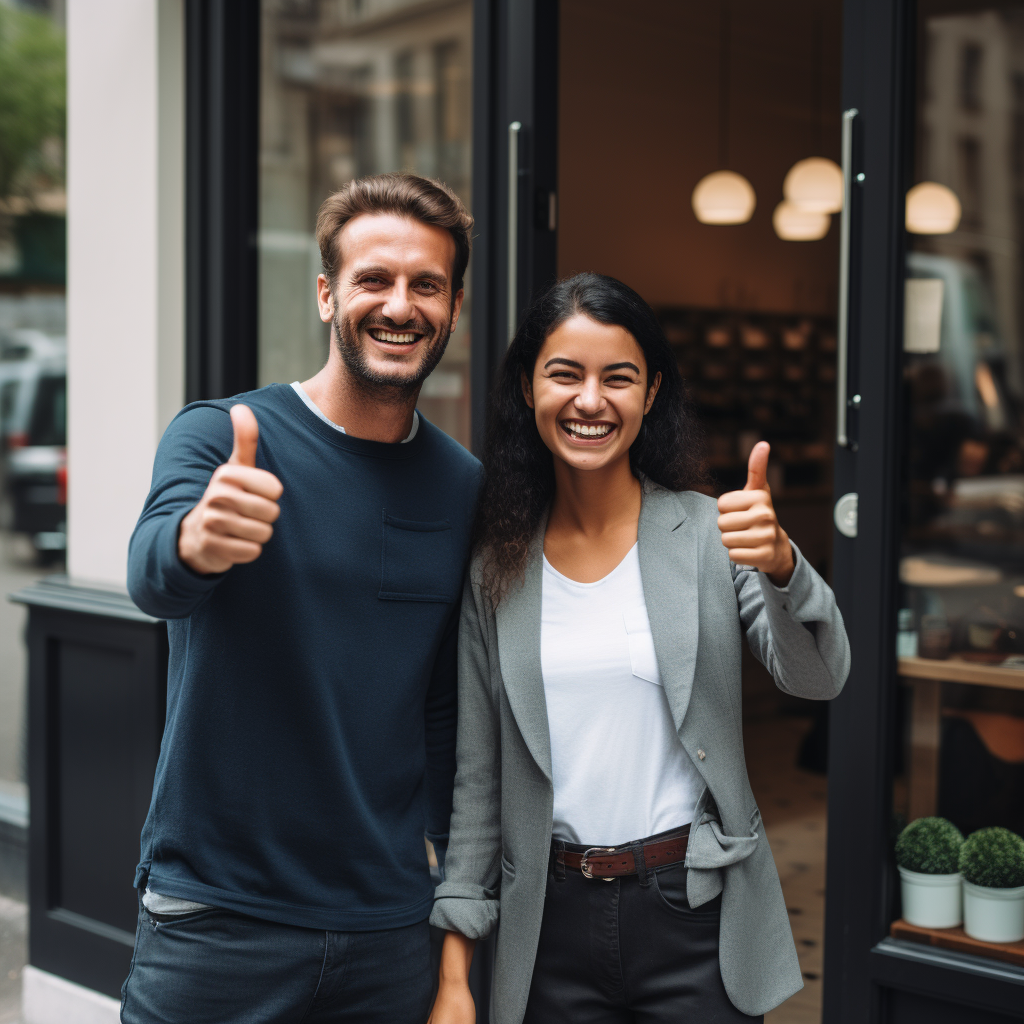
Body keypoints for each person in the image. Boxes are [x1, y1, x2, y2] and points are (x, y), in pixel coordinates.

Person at [428, 273, 851, 1024]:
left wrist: (784, 564)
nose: (590, 400)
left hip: (692, 910)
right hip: (548, 926)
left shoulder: (708, 536)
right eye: (565, 373)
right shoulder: (497, 566)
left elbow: (818, 676)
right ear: (529, 388)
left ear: (650, 393)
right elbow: (477, 780)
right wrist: (456, 974)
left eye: (617, 378)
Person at [121, 173, 481, 1024]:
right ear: (327, 295)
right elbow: (150, 574)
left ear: (454, 307)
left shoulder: (463, 486)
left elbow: (438, 707)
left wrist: (449, 926)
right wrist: (198, 542)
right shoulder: (221, 434)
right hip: (217, 921)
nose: (401, 305)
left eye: (426, 284)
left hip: (388, 929)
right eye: (373, 280)